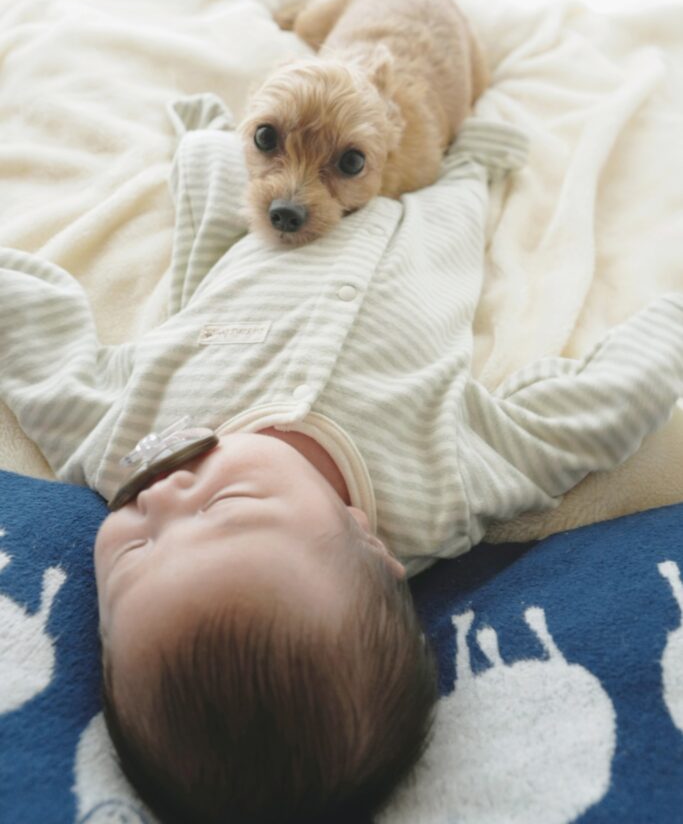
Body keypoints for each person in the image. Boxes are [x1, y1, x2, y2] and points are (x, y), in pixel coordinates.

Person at [1, 94, 682, 824]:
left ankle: (209, 146)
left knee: (211, 219)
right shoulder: (440, 491)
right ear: (365, 539)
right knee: (455, 202)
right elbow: (579, 422)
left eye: (130, 552)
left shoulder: (116, 448)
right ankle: (473, 167)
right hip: (420, 221)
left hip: (263, 237)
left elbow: (46, 365)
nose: (162, 499)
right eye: (225, 508)